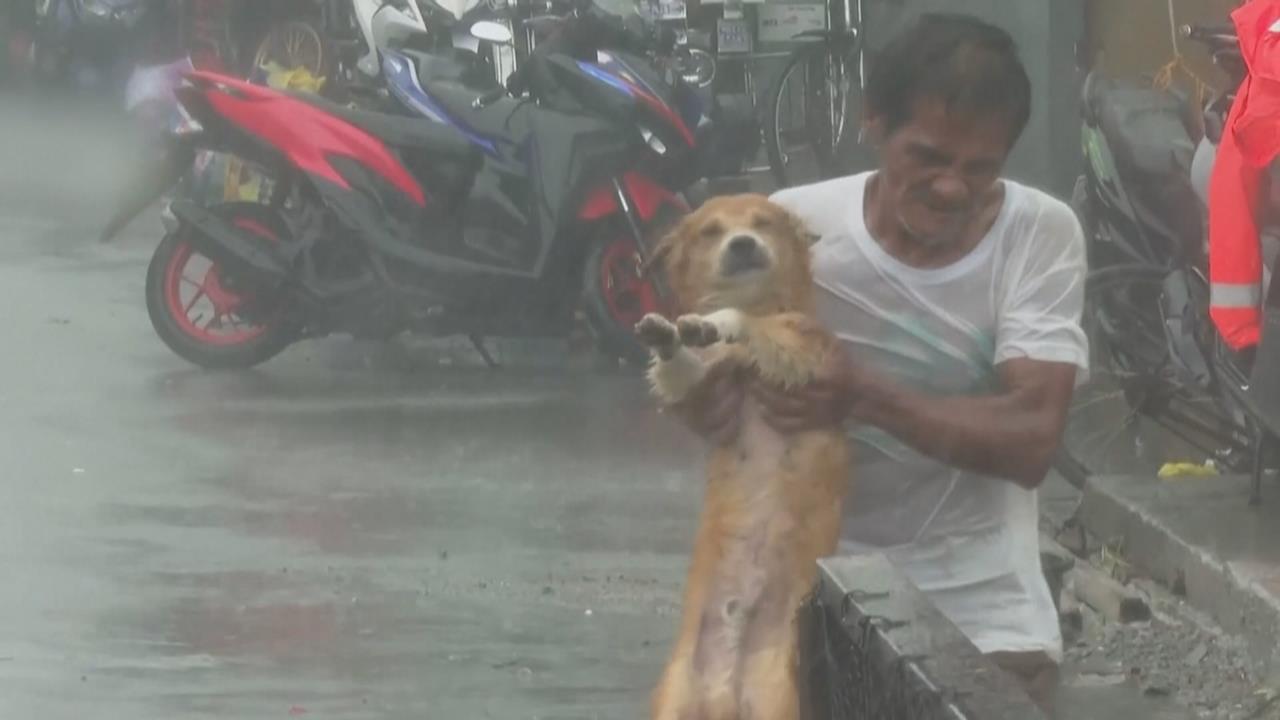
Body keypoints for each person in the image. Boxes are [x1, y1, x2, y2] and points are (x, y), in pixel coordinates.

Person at [667, 12, 1087, 714]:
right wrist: (704, 399)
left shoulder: (1036, 235)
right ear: (873, 123)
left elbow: (1032, 438)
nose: (952, 187)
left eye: (979, 168)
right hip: (806, 586)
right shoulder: (792, 228)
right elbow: (720, 374)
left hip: (981, 606)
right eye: (927, 157)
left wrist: (857, 394)